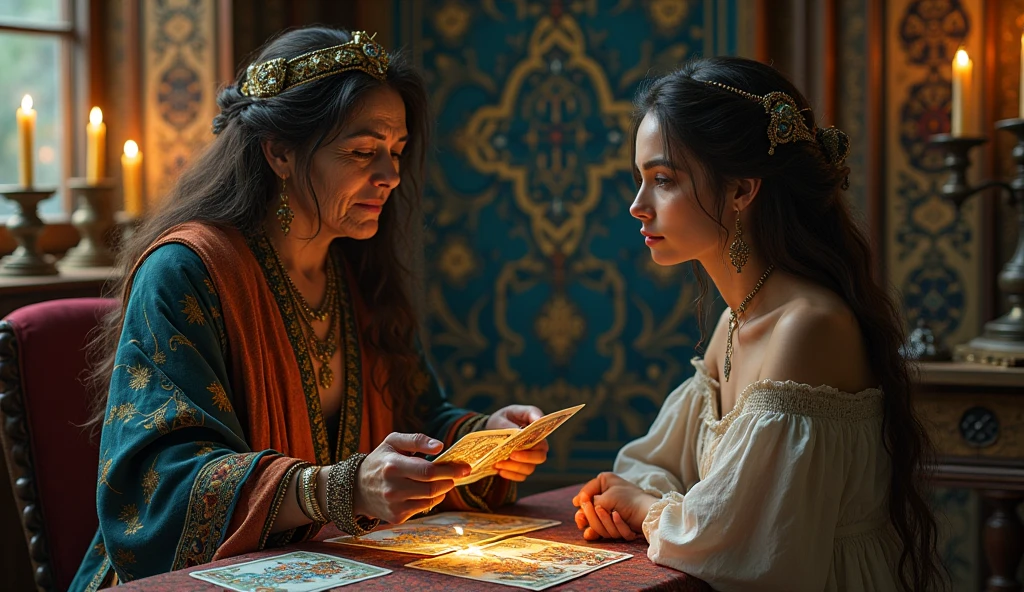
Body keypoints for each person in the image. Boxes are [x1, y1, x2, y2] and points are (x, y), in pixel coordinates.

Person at [70, 26, 549, 591]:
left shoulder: (357, 272)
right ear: (279, 152)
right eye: (362, 151)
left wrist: (484, 442)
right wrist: (342, 488)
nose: (391, 176)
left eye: (395, 152)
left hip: (337, 570)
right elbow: (160, 485)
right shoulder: (186, 272)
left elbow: (418, 416)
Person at [572, 56, 945, 592]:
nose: (637, 206)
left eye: (662, 180)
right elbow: (658, 465)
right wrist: (629, 497)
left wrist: (647, 509)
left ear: (742, 191)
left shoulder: (808, 328)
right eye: (640, 180)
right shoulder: (734, 321)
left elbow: (748, 547)